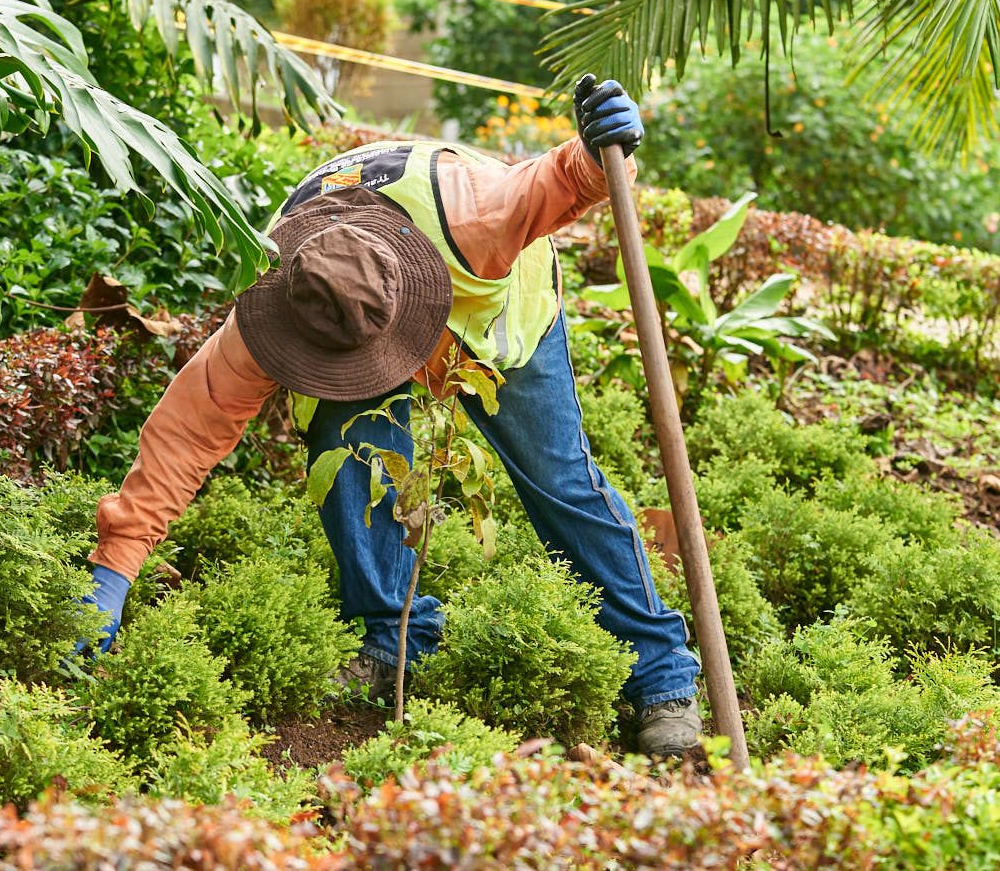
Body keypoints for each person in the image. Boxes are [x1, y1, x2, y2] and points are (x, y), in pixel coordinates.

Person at [84, 75, 703, 757]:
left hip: (502, 321)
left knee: (561, 484)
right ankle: (393, 643)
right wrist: (114, 569)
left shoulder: (479, 216)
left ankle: (663, 679)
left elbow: (565, 177)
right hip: (356, 296)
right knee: (347, 447)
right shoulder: (290, 291)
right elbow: (187, 430)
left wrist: (603, 141)